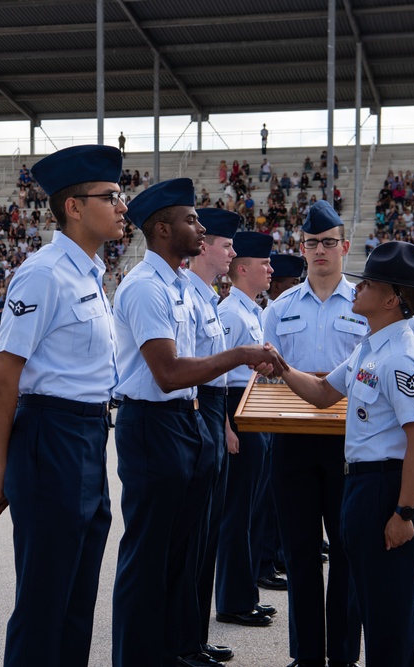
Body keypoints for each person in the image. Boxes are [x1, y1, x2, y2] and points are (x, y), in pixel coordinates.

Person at [110, 178, 287, 667]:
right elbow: (167, 373)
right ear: (163, 228)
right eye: (191, 219)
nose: (201, 226)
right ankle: (137, 657)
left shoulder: (180, 288)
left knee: (183, 548)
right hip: (153, 421)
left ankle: (177, 647)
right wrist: (242, 354)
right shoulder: (147, 288)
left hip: (184, 420)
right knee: (149, 554)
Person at [0, 144, 124, 667]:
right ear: (73, 207)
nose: (121, 205)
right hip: (50, 436)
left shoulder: (88, 272)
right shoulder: (44, 273)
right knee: (44, 603)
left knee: (77, 599)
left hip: (89, 438)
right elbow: (1, 379)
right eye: (110, 196)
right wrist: (5, 465)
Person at [280, 240, 414, 667]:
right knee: (369, 604)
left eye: (368, 283)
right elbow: (321, 393)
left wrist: (403, 514)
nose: (357, 287)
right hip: (358, 484)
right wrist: (280, 366)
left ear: (391, 299)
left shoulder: (402, 359)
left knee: (389, 620)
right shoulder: (369, 348)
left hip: (388, 489)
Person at [261, 200, 366, 667]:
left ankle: (342, 657)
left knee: (346, 554)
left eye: (328, 242)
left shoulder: (365, 304)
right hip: (292, 443)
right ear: (301, 249)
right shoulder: (279, 308)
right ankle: (307, 658)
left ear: (344, 246)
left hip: (349, 442)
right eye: (311, 243)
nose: (320, 250)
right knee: (301, 554)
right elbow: (266, 375)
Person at [184, 207, 240, 665]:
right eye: (226, 245)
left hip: (214, 408)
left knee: (207, 534)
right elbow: (190, 372)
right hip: (198, 408)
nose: (232, 253)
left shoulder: (205, 296)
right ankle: (184, 640)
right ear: (204, 248)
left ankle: (194, 638)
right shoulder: (187, 294)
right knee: (194, 536)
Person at [215, 232, 278, 630]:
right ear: (242, 269)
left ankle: (245, 592)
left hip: (256, 410)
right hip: (236, 411)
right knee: (237, 511)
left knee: (252, 508)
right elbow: (216, 374)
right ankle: (233, 599)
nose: (270, 269)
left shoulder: (253, 312)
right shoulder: (230, 314)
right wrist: (226, 427)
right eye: (264, 264)